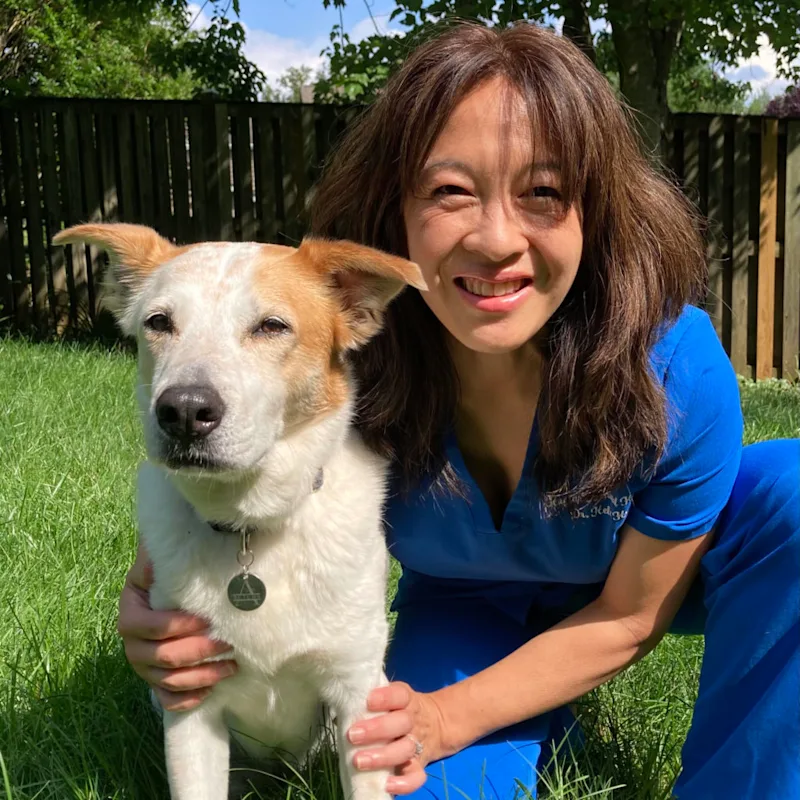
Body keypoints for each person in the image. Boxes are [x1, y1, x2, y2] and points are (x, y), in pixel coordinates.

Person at [117, 21, 800, 800]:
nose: (497, 239)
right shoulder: (337, 356)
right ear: (395, 208)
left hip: (666, 579)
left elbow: (631, 615)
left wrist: (445, 718)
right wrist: (149, 614)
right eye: (450, 191)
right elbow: (211, 483)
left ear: (596, 211)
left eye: (544, 193)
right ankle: (541, 711)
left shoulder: (676, 369)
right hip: (467, 605)